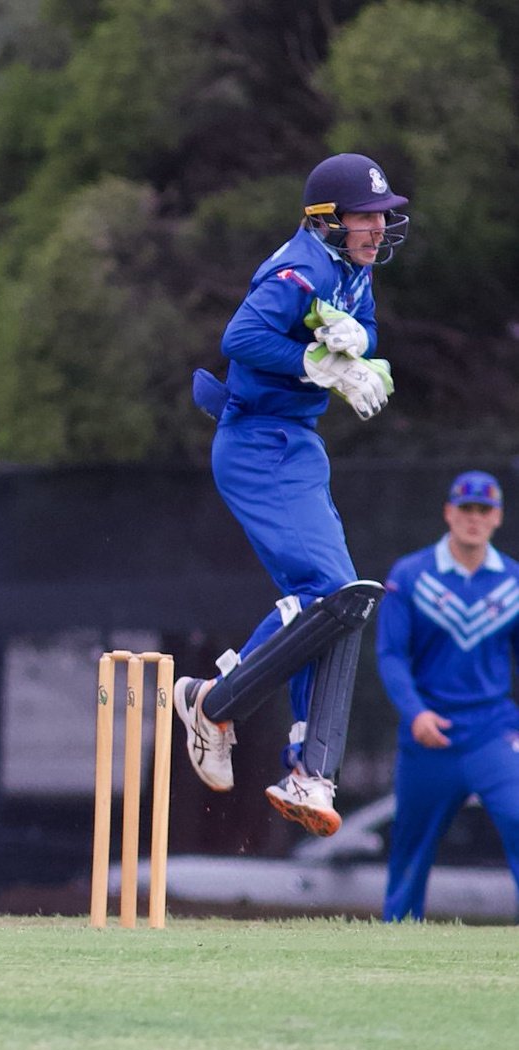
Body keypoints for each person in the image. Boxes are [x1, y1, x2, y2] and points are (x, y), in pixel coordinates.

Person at [173, 152, 410, 837]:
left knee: (335, 602)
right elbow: (241, 336)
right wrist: (319, 362)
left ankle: (292, 760)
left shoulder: (351, 270)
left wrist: (363, 355)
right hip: (257, 445)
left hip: (294, 444)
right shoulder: (301, 268)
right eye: (365, 216)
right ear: (326, 220)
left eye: (382, 215)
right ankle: (230, 714)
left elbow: (362, 347)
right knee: (338, 595)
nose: (377, 227)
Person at [377, 470, 519, 921]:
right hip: (428, 737)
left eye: (484, 510)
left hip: (491, 732)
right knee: (410, 850)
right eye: (465, 509)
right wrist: (415, 713)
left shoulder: (513, 581)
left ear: (497, 517)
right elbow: (391, 654)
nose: (474, 519)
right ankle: (396, 942)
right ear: (448, 513)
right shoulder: (411, 574)